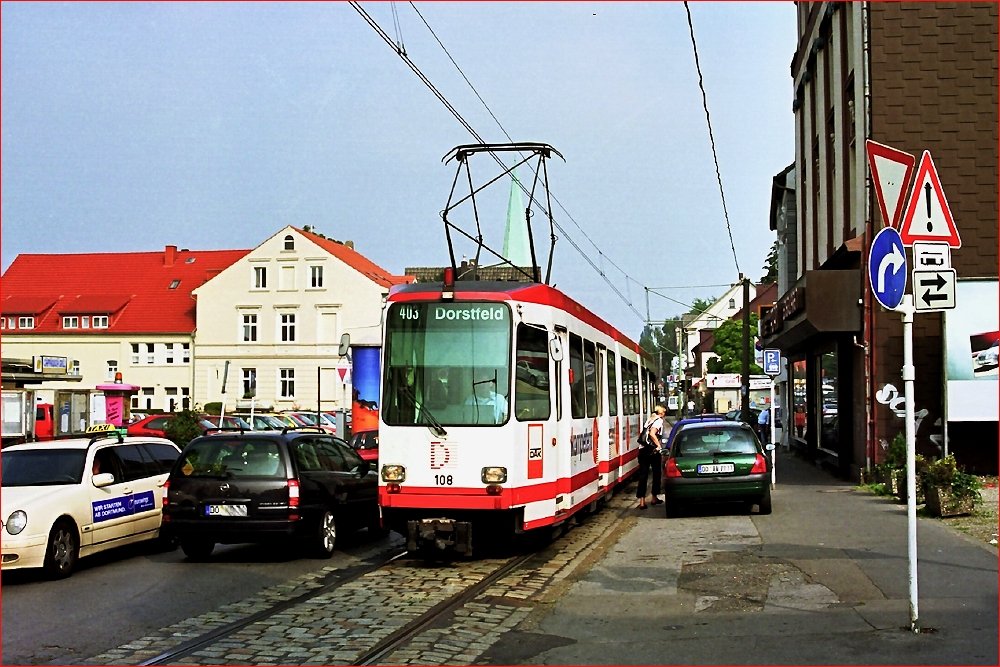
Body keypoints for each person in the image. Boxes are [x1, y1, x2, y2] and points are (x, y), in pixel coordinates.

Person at [635, 404, 667, 510]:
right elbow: (652, 433)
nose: (664, 415)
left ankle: (642, 501)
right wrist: (658, 445)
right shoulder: (659, 421)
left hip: (642, 450)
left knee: (643, 475)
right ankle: (654, 497)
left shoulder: (649, 419)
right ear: (661, 413)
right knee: (656, 473)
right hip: (652, 450)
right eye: (664, 412)